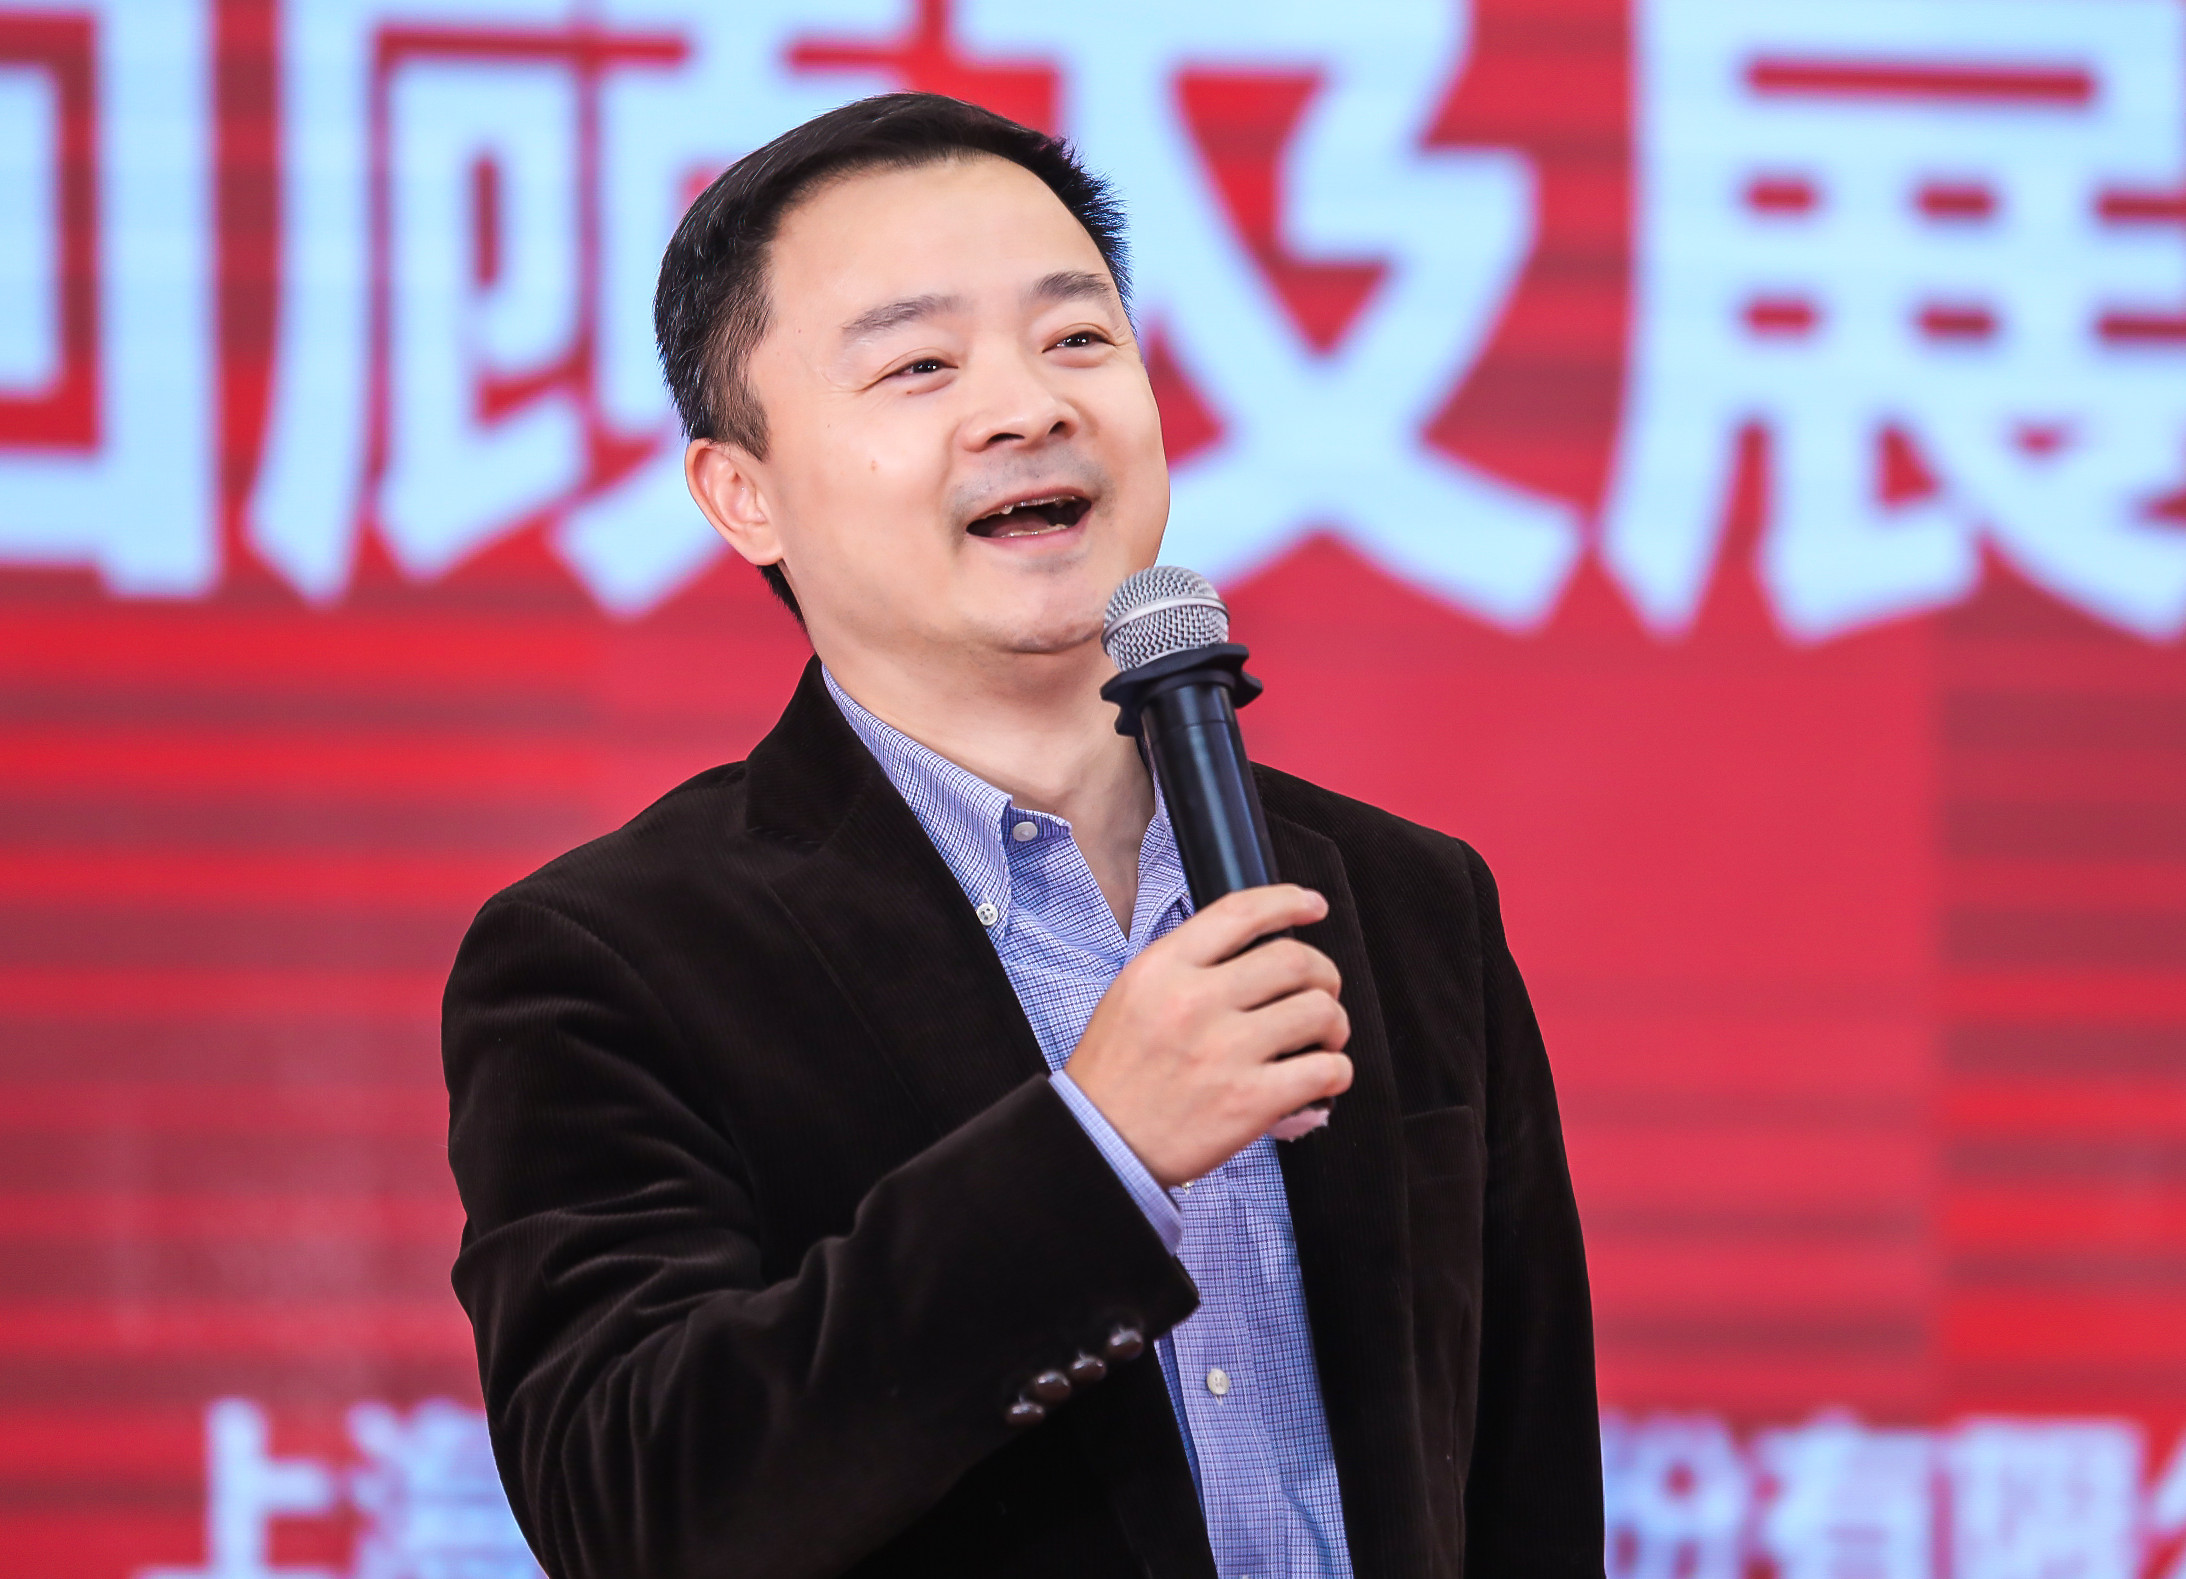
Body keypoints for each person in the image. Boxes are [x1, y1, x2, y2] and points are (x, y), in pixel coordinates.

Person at [442, 91, 1599, 1579]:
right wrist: (1097, 1150)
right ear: (743, 495)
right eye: (919, 365)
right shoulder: (609, 960)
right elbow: (635, 1506)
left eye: (1077, 338)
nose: (1029, 408)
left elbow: (1523, 1487)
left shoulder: (1404, 903)